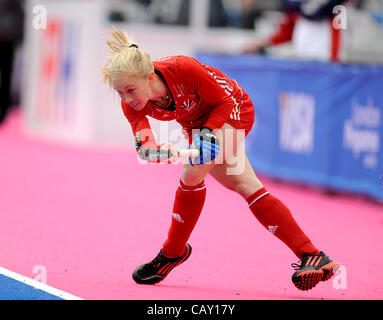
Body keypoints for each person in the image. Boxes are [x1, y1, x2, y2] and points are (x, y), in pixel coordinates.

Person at [102, 28, 340, 291]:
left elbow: (224, 102)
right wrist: (160, 151)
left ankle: (172, 253)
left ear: (149, 78)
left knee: (191, 174)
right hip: (196, 123)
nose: (127, 99)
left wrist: (207, 134)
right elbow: (145, 149)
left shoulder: (183, 68)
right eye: (120, 93)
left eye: (131, 90)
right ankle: (313, 256)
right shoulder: (131, 104)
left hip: (231, 109)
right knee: (246, 186)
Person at [242, 0, 348, 62]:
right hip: (303, 59)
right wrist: (261, 43)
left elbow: (318, 12)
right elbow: (287, 31)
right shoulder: (294, 4)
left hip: (327, 57)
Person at [0, 0, 24, 124]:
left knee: (6, 74)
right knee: (6, 75)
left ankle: (4, 111)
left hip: (7, 35)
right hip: (8, 33)